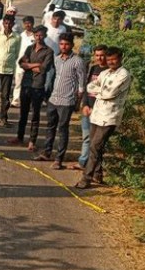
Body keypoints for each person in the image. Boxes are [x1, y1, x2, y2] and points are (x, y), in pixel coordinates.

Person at [75, 47, 132, 189]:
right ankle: (98, 174)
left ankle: (86, 178)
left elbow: (110, 93)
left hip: (110, 117)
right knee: (97, 147)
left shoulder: (124, 75)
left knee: (94, 146)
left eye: (114, 59)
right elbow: (90, 87)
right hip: (96, 115)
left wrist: (100, 91)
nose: (111, 62)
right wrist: (102, 91)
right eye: (109, 59)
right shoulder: (105, 73)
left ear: (120, 59)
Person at [34, 33, 86, 169]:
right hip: (54, 99)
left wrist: (78, 101)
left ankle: (59, 159)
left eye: (67, 44)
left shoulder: (77, 61)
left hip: (67, 101)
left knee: (62, 130)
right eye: (62, 44)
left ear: (72, 45)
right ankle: (46, 152)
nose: (64, 46)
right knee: (50, 127)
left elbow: (81, 84)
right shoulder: (56, 59)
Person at [8, 25, 53, 150]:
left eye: (41, 35)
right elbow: (21, 63)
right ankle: (20, 137)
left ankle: (32, 141)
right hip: (26, 84)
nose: (39, 37)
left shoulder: (49, 51)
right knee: (23, 113)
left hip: (38, 86)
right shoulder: (29, 48)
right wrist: (36, 64)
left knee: (35, 115)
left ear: (45, 35)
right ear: (34, 36)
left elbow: (43, 69)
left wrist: (29, 65)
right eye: (37, 35)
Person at [71, 44, 108, 171]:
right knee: (86, 137)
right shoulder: (93, 69)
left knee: (97, 142)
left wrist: (96, 108)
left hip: (100, 112)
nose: (100, 58)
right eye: (97, 55)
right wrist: (85, 104)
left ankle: (96, 169)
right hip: (88, 109)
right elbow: (87, 88)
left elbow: (106, 94)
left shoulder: (110, 71)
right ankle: (83, 162)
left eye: (102, 55)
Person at [11, 16, 35, 108]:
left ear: (33, 24)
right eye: (26, 23)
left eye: (29, 23)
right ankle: (16, 100)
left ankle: (30, 102)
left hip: (31, 64)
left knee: (31, 84)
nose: (27, 25)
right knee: (18, 82)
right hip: (20, 63)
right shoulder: (20, 36)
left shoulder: (36, 36)